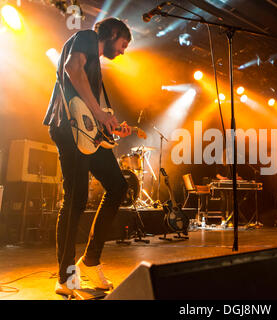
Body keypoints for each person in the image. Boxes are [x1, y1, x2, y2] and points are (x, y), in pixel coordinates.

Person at [43, 18, 133, 296]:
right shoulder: (86, 37)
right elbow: (72, 69)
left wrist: (111, 123)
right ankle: (66, 276)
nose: (122, 51)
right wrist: (99, 113)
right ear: (113, 32)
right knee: (76, 197)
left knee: (118, 186)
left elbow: (90, 105)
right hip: (67, 127)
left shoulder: (96, 62)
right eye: (123, 44)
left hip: (86, 132)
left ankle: (91, 261)